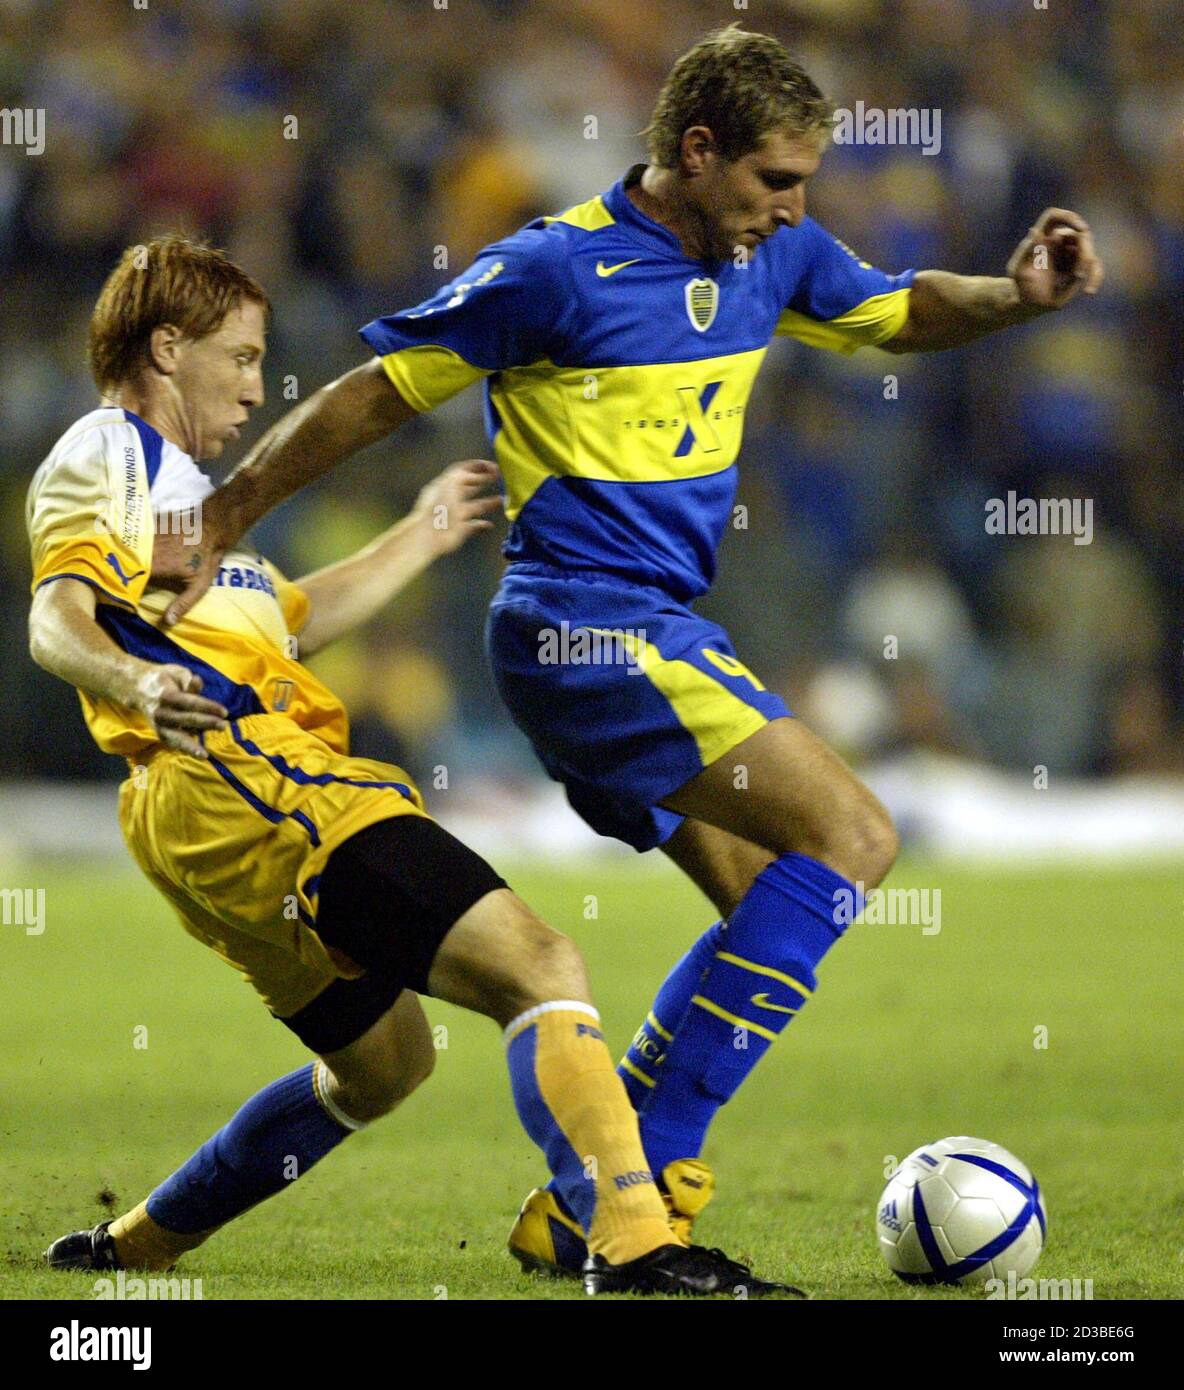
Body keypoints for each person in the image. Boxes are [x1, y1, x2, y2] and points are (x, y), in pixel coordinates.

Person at [150, 26, 1104, 1277]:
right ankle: (655, 1169)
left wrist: (1011, 295)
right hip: (581, 629)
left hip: (647, 629)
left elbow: (894, 310)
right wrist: (222, 515)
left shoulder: (776, 254)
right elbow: (376, 390)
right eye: (773, 179)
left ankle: (595, 1200)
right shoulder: (554, 269)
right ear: (694, 152)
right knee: (857, 838)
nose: (794, 206)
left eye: (803, 183)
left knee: (766, 896)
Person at [29, 233, 791, 1297]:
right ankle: (634, 1247)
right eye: (241, 358)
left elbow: (287, 621)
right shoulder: (106, 451)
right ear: (166, 348)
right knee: (538, 964)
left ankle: (136, 1247)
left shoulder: (178, 510)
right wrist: (133, 684)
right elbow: (53, 618)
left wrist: (421, 535)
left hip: (202, 808)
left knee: (384, 1066)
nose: (257, 388)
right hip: (249, 778)